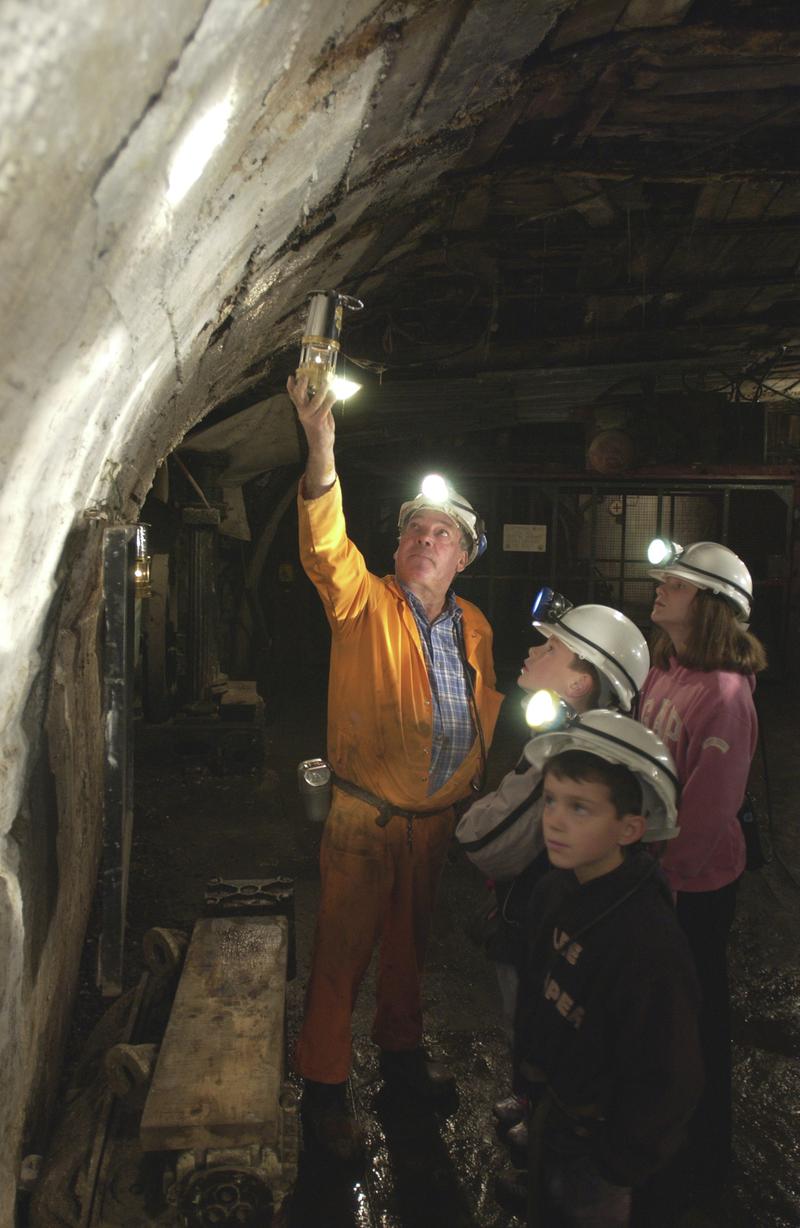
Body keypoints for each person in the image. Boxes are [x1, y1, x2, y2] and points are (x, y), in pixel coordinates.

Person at [286, 374, 504, 1160]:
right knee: (341, 959)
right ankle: (324, 1096)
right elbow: (325, 546)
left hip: (432, 823)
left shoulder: (475, 626)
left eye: (441, 533)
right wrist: (321, 443)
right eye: (414, 530)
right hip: (364, 818)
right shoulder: (363, 603)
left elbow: (479, 713)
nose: (423, 539)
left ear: (465, 556)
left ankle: (402, 1073)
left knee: (412, 957)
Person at [497, 710, 703, 1227]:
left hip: (600, 1151)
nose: (555, 820)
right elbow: (537, 989)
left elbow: (669, 1074)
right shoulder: (553, 890)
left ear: (630, 828)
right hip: (554, 1119)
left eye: (580, 808)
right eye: (550, 801)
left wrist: (618, 1163)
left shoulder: (646, 941)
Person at [456, 593, 649, 1141]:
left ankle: (546, 1130)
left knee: (543, 1023)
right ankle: (535, 1103)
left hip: (544, 923)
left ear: (579, 684)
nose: (533, 650)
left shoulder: (566, 751)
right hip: (558, 916)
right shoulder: (605, 742)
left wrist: (467, 812)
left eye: (551, 647)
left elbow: (483, 840)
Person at [638, 540, 767, 1201]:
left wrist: (660, 883)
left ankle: (705, 1156)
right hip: (655, 877)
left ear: (711, 606)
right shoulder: (666, 671)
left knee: (695, 1019)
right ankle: (665, 1133)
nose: (660, 586)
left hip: (694, 889)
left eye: (678, 583)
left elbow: (709, 810)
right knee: (660, 1016)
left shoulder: (722, 695)